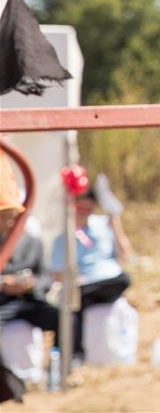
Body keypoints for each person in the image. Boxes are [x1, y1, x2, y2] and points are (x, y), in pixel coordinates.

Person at [50, 185, 133, 361]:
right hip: (83, 284)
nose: (84, 213)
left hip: (109, 281)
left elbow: (126, 255)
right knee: (72, 309)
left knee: (124, 280)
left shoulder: (104, 225)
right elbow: (56, 274)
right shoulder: (62, 238)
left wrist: (116, 223)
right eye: (81, 208)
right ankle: (73, 356)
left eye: (89, 209)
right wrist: (72, 280)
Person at [0, 154, 57, 403]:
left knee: (64, 317)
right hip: (2, 304)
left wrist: (31, 284)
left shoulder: (32, 242)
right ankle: (10, 383)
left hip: (28, 301)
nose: (10, 221)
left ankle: (65, 367)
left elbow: (45, 279)